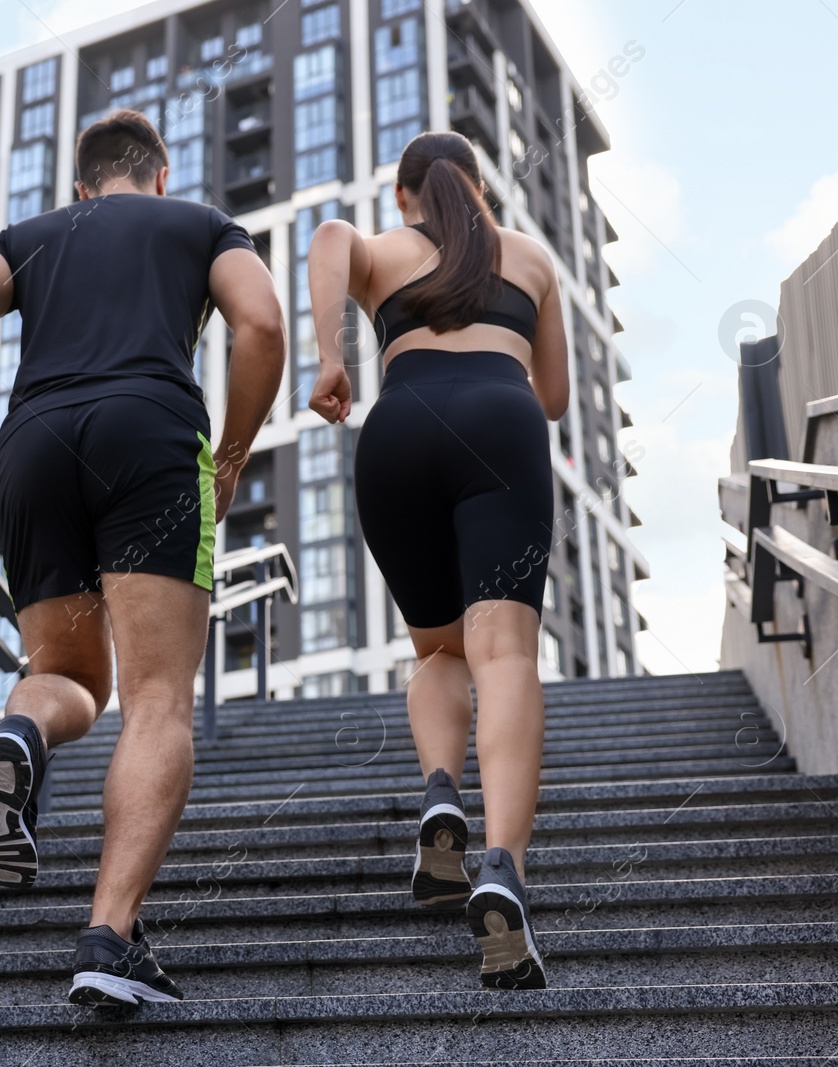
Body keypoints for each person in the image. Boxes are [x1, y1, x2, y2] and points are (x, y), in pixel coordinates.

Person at [0, 109, 286, 1006]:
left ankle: (21, 733)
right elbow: (263, 326)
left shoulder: (33, 236)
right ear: (159, 175)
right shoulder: (201, 224)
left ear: (82, 186)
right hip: (150, 434)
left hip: (35, 444)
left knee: (70, 677)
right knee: (156, 697)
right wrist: (231, 455)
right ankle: (108, 934)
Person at [306, 131, 569, 990]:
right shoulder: (529, 259)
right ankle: (500, 865)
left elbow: (327, 240)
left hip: (401, 433)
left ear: (406, 195)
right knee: (506, 652)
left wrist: (333, 359)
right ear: (481, 189)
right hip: (502, 422)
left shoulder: (385, 250)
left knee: (440, 649)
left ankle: (440, 787)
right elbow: (556, 398)